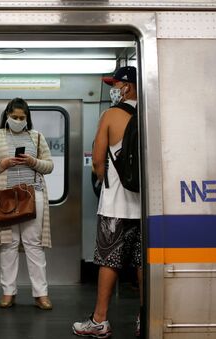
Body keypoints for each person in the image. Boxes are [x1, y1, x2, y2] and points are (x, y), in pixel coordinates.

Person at [72, 66, 142, 338]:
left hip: (115, 205)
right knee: (142, 262)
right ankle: (144, 318)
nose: (113, 88)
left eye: (115, 83)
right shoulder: (152, 113)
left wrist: (102, 175)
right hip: (146, 208)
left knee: (108, 260)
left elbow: (98, 161)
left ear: (128, 87)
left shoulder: (111, 115)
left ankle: (100, 320)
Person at [0, 98, 54, 310]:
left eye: (22, 118)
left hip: (32, 195)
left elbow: (49, 166)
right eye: (14, 117)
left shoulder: (36, 137)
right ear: (7, 115)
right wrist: (4, 163)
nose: (18, 120)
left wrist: (32, 162)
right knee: (8, 245)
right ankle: (8, 292)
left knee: (33, 245)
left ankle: (41, 294)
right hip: (5, 196)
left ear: (27, 118)